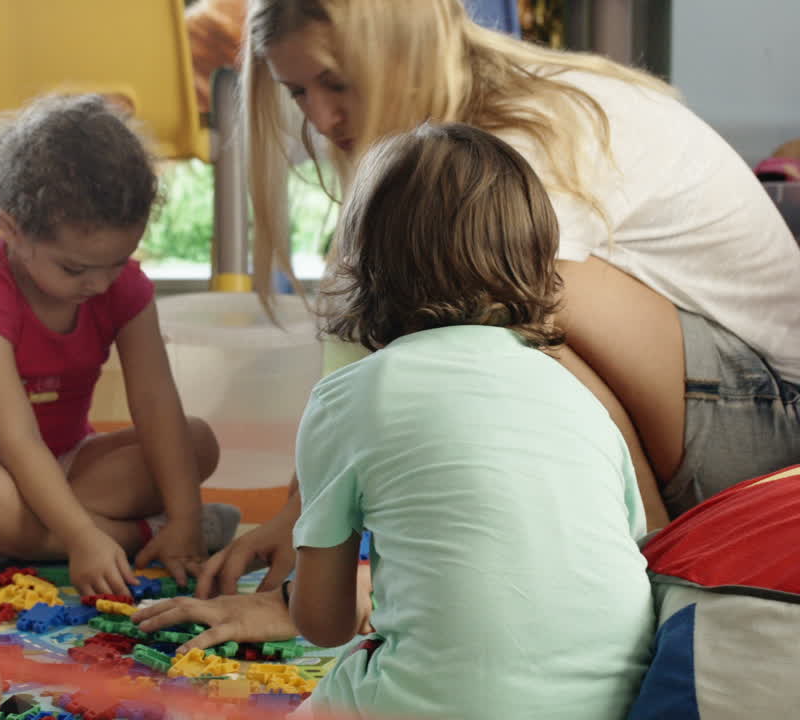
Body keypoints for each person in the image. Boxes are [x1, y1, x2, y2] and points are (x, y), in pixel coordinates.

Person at [195, 0, 800, 598]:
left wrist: (336, 594)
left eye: (337, 84)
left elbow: (440, 358)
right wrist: (302, 517)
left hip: (769, 430)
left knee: (483, 293)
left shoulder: (520, 132)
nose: (322, 118)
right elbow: (355, 346)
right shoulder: (455, 124)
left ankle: (646, 567)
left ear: (401, 54)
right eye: (298, 92)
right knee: (459, 297)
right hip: (706, 403)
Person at [156, 122, 656, 719]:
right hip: (615, 702)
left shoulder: (349, 396)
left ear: (364, 268)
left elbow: (323, 624)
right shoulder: (580, 400)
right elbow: (625, 556)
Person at [0, 94, 241, 597]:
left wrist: (187, 517)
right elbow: (15, 437)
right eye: (76, 268)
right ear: (10, 229)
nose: (101, 284)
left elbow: (155, 401)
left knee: (196, 443)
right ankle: (130, 535)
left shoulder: (121, 286)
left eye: (118, 260)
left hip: (68, 465)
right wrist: (82, 537)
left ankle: (12, 542)